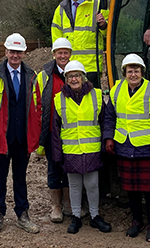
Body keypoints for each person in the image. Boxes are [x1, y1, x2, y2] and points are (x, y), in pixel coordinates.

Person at [0, 33, 42, 236]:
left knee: (20, 178)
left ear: (24, 53)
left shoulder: (31, 76)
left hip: (22, 137)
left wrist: (35, 127)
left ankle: (22, 214)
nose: (15, 55)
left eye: (18, 52)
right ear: (6, 52)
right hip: (1, 137)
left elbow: (38, 105)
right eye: (12, 51)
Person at [102, 54, 150, 242]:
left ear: (142, 72)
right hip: (124, 146)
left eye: (136, 70)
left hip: (146, 148)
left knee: (149, 190)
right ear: (124, 73)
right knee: (130, 189)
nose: (133, 74)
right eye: (130, 71)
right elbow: (110, 118)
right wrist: (108, 138)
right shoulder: (115, 91)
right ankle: (136, 220)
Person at [49, 60, 112, 234]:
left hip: (91, 149)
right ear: (66, 78)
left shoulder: (96, 95)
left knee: (92, 184)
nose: (74, 79)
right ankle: (75, 216)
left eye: (77, 75)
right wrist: (57, 153)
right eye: (70, 76)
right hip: (71, 150)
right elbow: (55, 129)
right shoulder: (58, 99)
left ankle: (94, 216)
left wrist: (106, 142)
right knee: (74, 185)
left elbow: (104, 120)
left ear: (83, 77)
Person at [51, 0, 108, 87]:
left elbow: (109, 33)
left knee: (93, 102)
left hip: (92, 67)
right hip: (69, 67)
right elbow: (56, 39)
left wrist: (103, 25)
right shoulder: (60, 10)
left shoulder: (97, 5)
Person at [37, 37, 73, 223]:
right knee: (53, 168)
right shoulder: (44, 75)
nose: (63, 56)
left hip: (71, 131)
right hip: (52, 130)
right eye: (60, 52)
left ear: (70, 54)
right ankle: (56, 206)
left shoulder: (76, 73)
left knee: (69, 167)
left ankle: (68, 203)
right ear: (54, 54)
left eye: (66, 52)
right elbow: (37, 103)